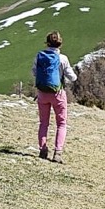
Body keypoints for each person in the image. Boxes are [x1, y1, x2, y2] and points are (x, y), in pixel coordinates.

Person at [34, 30, 78, 164]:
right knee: (61, 123)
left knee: (43, 123)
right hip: (58, 94)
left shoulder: (39, 56)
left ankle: (43, 149)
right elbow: (73, 77)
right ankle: (57, 153)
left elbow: (34, 72)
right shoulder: (62, 59)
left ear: (47, 43)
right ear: (60, 43)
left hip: (42, 93)